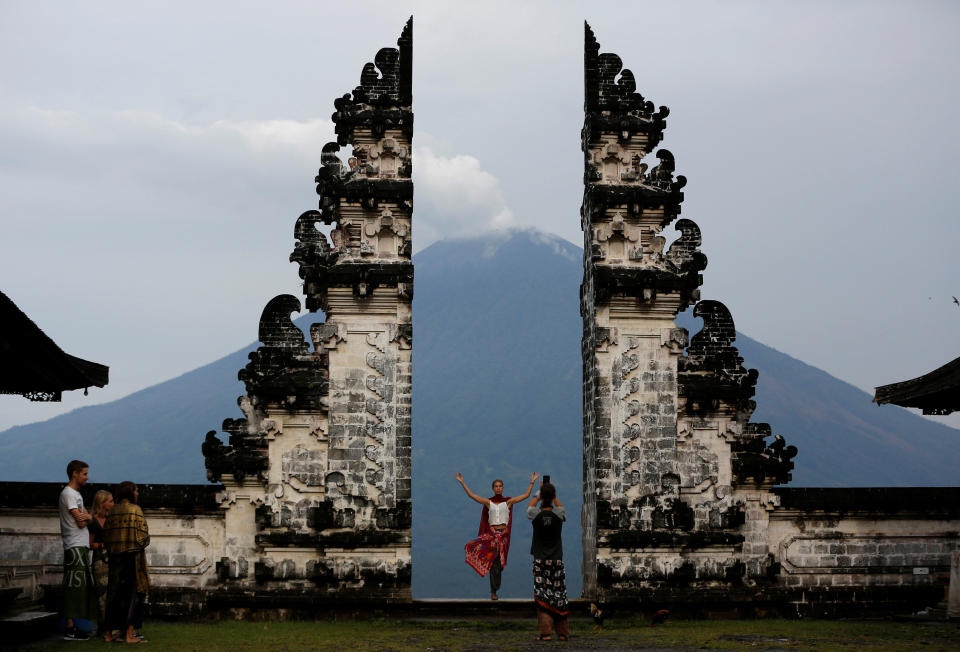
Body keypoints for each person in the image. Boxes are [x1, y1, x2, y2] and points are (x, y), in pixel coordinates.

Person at [456, 472, 538, 600]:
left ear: (503, 488)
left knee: (500, 564)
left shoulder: (508, 502)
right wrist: (462, 482)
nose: (498, 488)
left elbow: (526, 495)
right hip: (492, 537)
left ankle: (495, 587)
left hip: (503, 537)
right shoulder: (489, 503)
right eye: (496, 486)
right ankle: (493, 591)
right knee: (494, 563)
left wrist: (532, 481)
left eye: (500, 486)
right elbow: (472, 496)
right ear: (493, 488)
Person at [103, 481, 150, 644]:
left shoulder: (112, 511)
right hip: (132, 557)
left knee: (113, 595)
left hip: (115, 558)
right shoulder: (135, 510)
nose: (137, 494)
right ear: (130, 493)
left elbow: (106, 536)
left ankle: (108, 633)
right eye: (136, 491)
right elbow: (143, 537)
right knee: (134, 594)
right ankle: (130, 634)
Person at [59, 459, 96, 641]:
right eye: (84, 474)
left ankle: (73, 626)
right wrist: (88, 518)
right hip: (74, 545)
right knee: (74, 587)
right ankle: (70, 628)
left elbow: (87, 517)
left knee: (80, 587)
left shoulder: (76, 494)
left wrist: (87, 517)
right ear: (75, 473)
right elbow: (82, 520)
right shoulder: (68, 494)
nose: (87, 477)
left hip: (80, 544)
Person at [528, 481, 568, 641]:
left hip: (540, 561)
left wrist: (537, 495)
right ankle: (563, 633)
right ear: (553, 497)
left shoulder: (535, 515)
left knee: (542, 596)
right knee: (559, 596)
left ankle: (546, 633)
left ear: (542, 497)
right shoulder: (558, 514)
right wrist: (553, 496)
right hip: (556, 560)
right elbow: (562, 508)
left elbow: (529, 508)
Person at [87, 489, 114, 639]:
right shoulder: (93, 521)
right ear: (102, 503)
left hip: (112, 560)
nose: (113, 503)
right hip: (99, 561)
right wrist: (104, 545)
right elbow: (90, 544)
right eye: (110, 501)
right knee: (101, 595)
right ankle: (103, 627)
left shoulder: (111, 519)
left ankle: (109, 627)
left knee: (111, 593)